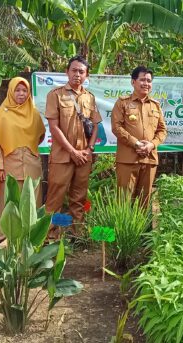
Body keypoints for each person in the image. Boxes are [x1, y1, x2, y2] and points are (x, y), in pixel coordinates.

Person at [44, 56, 101, 237]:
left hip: (84, 157)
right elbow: (54, 127)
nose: (77, 74)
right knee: (55, 198)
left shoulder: (90, 98)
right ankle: (51, 236)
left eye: (81, 71)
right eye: (74, 70)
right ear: (67, 72)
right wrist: (72, 151)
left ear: (86, 75)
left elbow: (95, 126)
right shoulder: (55, 95)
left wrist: (89, 149)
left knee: (79, 198)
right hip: (62, 157)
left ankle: (77, 234)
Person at [0, 76, 46, 237]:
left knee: (31, 202)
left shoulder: (34, 114)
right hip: (9, 164)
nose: (21, 94)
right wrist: (0, 166)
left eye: (24, 90)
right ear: (10, 91)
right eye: (17, 90)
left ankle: (29, 238)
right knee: (7, 201)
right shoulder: (2, 114)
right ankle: (2, 238)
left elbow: (40, 136)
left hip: (31, 164)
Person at [111, 66, 167, 207]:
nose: (146, 83)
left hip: (149, 159)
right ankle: (123, 223)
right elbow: (116, 127)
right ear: (133, 82)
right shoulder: (122, 103)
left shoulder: (155, 105)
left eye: (149, 81)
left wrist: (151, 145)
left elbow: (162, 131)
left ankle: (143, 223)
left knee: (144, 202)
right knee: (123, 201)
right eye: (142, 80)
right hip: (127, 159)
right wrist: (136, 143)